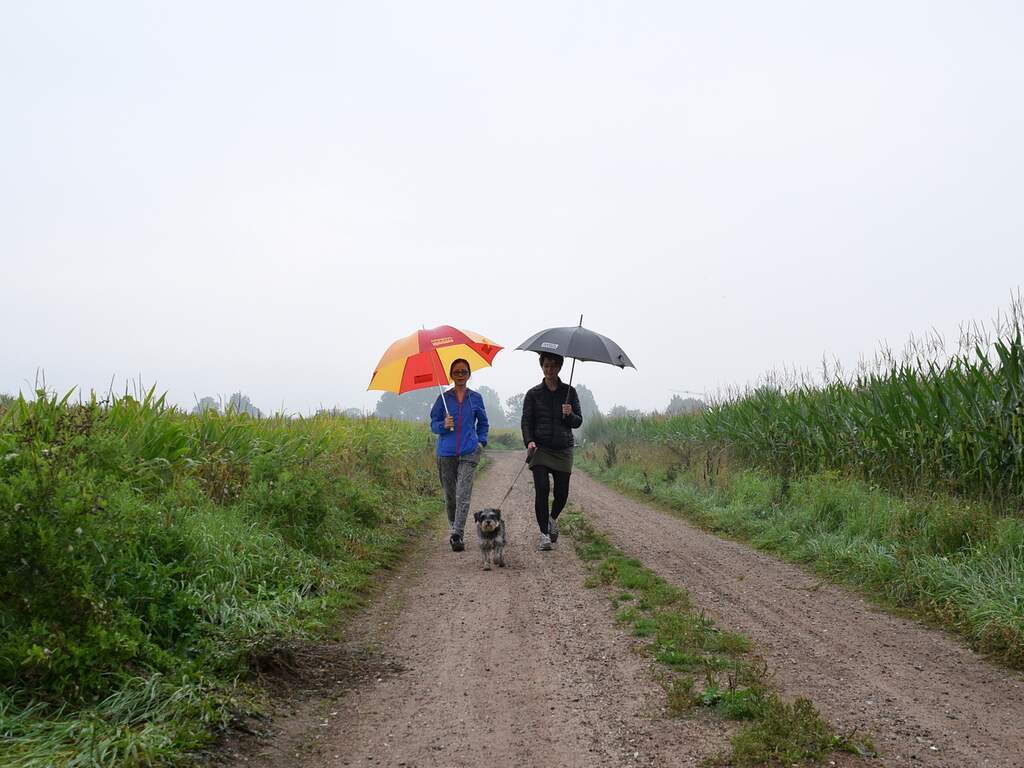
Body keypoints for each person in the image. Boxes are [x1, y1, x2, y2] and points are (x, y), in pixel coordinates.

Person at [521, 352, 583, 551]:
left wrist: (569, 414)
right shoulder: (533, 394)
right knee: (542, 489)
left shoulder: (569, 392)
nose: (550, 370)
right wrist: (529, 441)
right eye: (546, 366)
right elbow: (526, 421)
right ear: (542, 367)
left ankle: (551, 519)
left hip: (563, 448)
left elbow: (578, 421)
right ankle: (544, 534)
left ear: (559, 368)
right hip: (540, 448)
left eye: (554, 366)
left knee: (562, 493)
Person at [430, 358, 489, 551]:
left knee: (463, 494)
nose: (461, 375)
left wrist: (481, 442)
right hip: (446, 453)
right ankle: (453, 526)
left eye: (464, 371)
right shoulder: (443, 399)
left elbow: (483, 423)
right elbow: (433, 425)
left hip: (469, 451)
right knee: (450, 496)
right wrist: (443, 426)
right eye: (457, 372)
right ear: (451, 375)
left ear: (469, 374)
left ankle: (457, 534)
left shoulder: (476, 398)